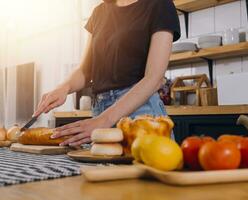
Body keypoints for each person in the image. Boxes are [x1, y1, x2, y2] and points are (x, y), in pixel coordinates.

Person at [34, 0, 180, 146]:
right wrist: (63, 88)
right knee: (100, 168)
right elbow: (86, 70)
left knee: (144, 168)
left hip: (141, 113)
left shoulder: (160, 4)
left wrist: (103, 120)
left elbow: (154, 78)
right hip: (100, 111)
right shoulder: (99, 13)